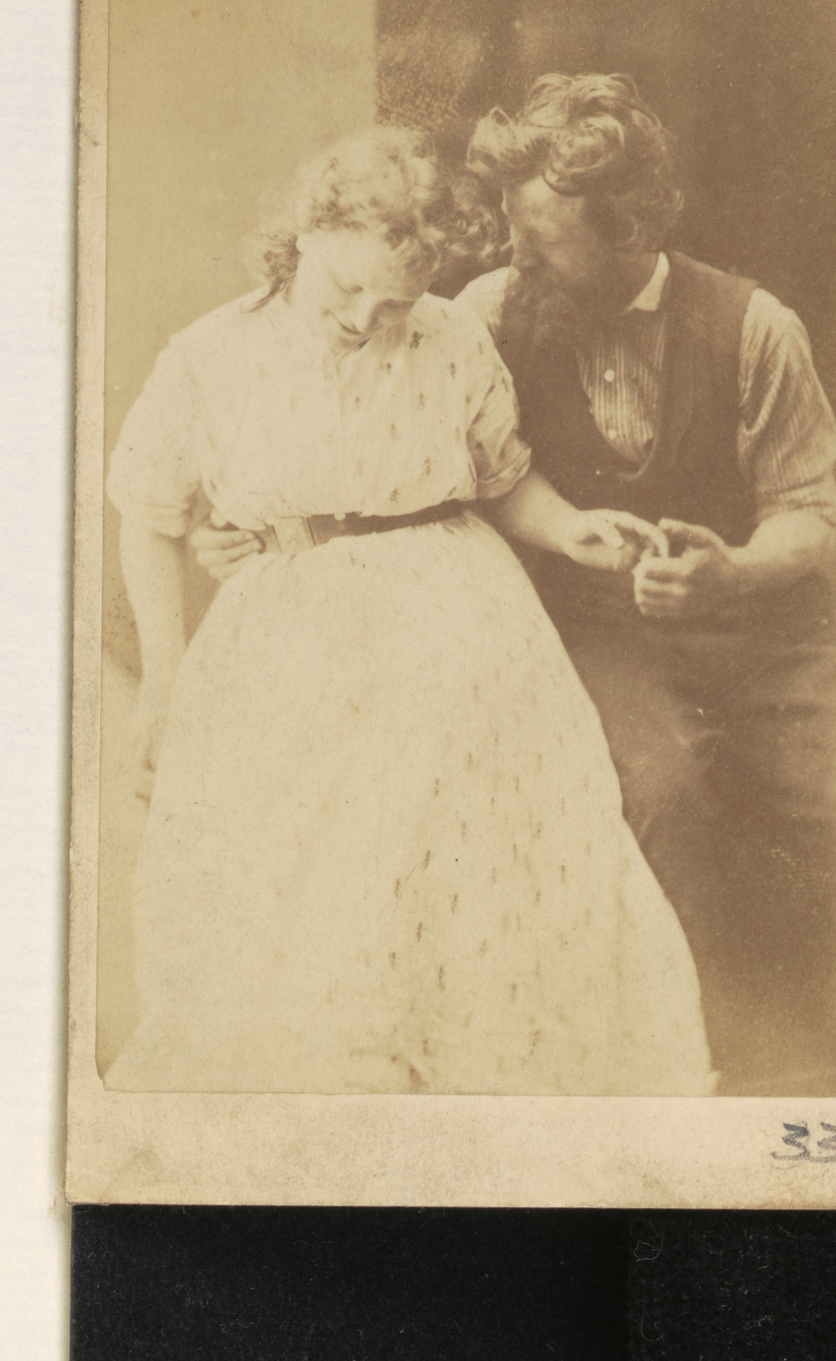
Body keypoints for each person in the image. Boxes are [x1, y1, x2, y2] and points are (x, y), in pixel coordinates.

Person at [104, 126, 714, 1098]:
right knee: (299, 880)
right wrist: (165, 676)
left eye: (392, 300)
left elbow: (504, 481)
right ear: (306, 231)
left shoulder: (449, 334)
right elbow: (147, 512)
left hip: (455, 620)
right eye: (343, 288)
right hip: (289, 630)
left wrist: (572, 530)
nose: (363, 318)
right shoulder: (209, 354)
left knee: (463, 845)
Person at [456, 73, 836, 1097]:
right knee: (666, 793)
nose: (515, 256)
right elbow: (434, 462)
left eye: (541, 240)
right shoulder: (488, 315)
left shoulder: (755, 326)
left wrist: (732, 567)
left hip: (774, 635)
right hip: (604, 635)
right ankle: (704, 1069)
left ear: (628, 227)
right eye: (512, 230)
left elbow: (813, 514)